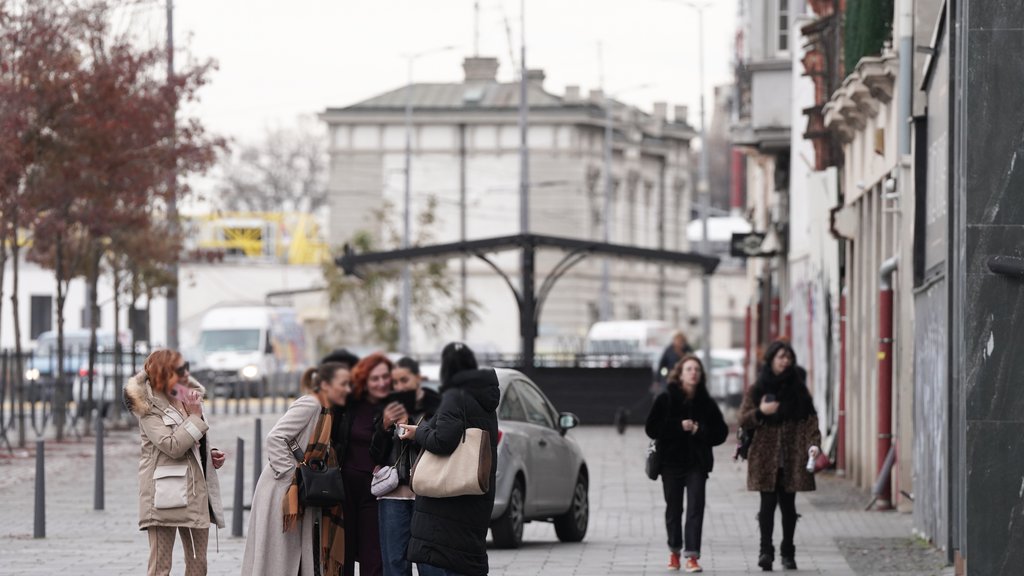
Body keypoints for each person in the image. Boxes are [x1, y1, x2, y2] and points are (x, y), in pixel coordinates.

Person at [397, 343, 500, 576]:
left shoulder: (455, 396)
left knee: (443, 563)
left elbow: (443, 441)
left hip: (444, 514)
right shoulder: (485, 402)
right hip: (472, 500)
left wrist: (419, 431)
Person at [241, 362, 351, 576]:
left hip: (298, 490)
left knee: (295, 557)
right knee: (280, 560)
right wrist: (293, 477)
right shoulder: (311, 404)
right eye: (343, 384)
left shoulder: (326, 410)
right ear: (326, 385)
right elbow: (275, 438)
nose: (348, 389)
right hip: (282, 491)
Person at [124, 350, 226, 576]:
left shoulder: (187, 397)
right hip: (164, 496)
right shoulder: (148, 407)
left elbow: (191, 439)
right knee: (161, 567)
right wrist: (195, 417)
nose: (186, 373)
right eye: (179, 369)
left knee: (199, 566)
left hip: (195, 493)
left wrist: (209, 454)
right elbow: (171, 445)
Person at [738, 341, 822, 572]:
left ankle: (788, 551)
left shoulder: (799, 389)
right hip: (765, 456)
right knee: (766, 506)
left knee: (788, 507)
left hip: (792, 456)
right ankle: (765, 551)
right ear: (771, 359)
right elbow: (743, 419)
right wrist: (761, 412)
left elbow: (810, 421)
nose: (785, 361)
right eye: (781, 356)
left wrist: (813, 445)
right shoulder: (758, 388)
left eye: (788, 357)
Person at [645, 355, 729, 573]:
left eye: (697, 370)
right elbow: (652, 428)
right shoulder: (666, 398)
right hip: (671, 464)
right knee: (674, 509)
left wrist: (698, 430)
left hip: (696, 464)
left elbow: (721, 433)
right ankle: (674, 551)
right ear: (680, 373)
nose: (693, 373)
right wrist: (678, 426)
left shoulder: (706, 403)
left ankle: (692, 555)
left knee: (695, 509)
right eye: (689, 369)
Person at [370, 357, 443, 576]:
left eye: (405, 380)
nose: (400, 387)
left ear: (418, 379)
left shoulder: (436, 406)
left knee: (430, 564)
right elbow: (375, 455)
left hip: (427, 494)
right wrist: (383, 427)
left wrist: (414, 428)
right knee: (394, 563)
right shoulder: (386, 407)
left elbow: (443, 443)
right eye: (396, 382)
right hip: (393, 494)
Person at [339, 353, 393, 576]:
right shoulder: (348, 404)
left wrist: (385, 427)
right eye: (375, 378)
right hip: (343, 487)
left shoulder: (394, 406)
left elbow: (385, 452)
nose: (381, 383)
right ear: (364, 380)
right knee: (343, 553)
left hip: (375, 489)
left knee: (373, 557)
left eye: (385, 377)